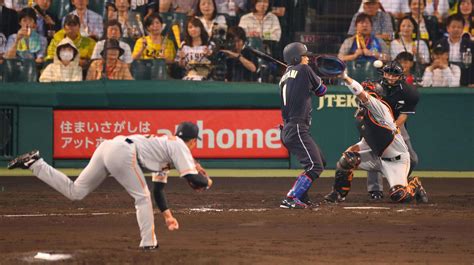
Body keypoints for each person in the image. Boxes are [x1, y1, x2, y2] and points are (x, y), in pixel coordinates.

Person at [7, 121, 213, 250]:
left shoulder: (165, 151)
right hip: (123, 151)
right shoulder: (178, 145)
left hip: (108, 147)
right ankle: (149, 243)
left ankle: (35, 163)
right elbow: (194, 180)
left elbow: (158, 190)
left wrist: (168, 216)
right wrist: (208, 181)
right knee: (141, 198)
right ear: (193, 140)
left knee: (75, 191)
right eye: (196, 142)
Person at [323, 73, 428, 204]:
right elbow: (369, 140)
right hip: (378, 158)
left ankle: (415, 185)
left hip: (396, 161)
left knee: (399, 195)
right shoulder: (363, 115)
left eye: (369, 91)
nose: (365, 94)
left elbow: (361, 94)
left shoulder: (380, 109)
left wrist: (346, 78)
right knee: (347, 159)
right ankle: (338, 194)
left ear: (376, 96)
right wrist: (352, 152)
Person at [278, 42, 328, 209]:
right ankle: (291, 197)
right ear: (296, 58)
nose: (308, 58)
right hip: (297, 126)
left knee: (320, 160)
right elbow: (321, 91)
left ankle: (302, 196)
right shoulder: (304, 70)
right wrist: (320, 79)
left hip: (289, 128)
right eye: (305, 56)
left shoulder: (284, 76)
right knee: (315, 165)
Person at [366, 61, 422, 201]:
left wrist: (393, 129)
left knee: (412, 158)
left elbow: (404, 115)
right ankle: (375, 190)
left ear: (400, 76)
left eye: (394, 75)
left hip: (396, 123)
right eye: (388, 74)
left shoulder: (409, 92)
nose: (390, 77)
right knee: (375, 156)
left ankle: (400, 181)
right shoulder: (375, 88)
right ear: (383, 74)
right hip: (375, 124)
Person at [433, 14, 474, 86]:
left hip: (466, 79)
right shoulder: (439, 43)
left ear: (462, 29)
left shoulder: (470, 44)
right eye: (453, 27)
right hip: (444, 78)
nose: (456, 29)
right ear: (448, 28)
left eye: (459, 27)